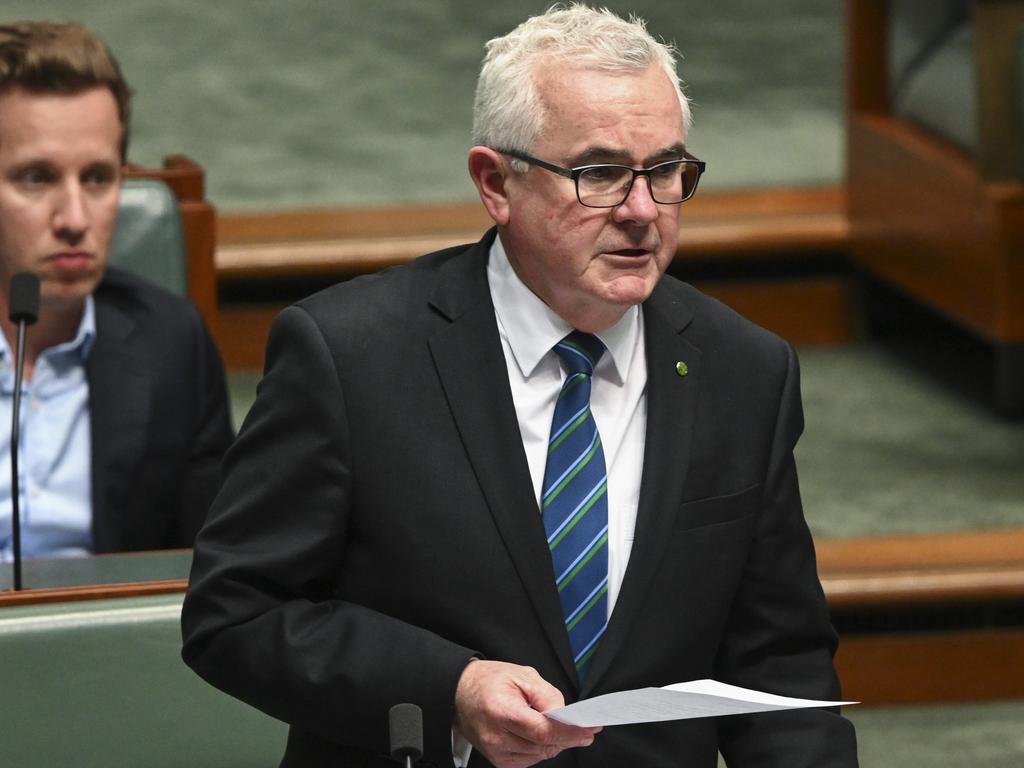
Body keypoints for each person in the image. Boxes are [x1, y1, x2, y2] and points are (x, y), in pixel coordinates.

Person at [182, 5, 858, 766]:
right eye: (600, 174)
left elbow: (780, 663)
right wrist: (451, 690)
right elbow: (235, 614)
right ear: (495, 182)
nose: (642, 211)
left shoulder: (745, 371)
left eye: (665, 171)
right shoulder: (352, 356)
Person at [0, 21, 234, 559]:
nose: (75, 219)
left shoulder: (172, 342)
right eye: (37, 178)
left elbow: (213, 571)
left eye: (98, 178)